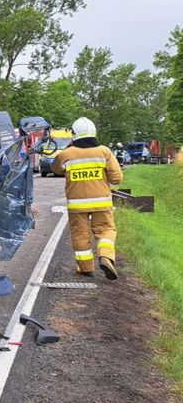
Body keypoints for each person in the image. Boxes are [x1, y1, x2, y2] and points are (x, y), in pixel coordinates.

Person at [51, 117, 123, 280]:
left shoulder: (66, 154)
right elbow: (117, 179)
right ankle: (105, 256)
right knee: (106, 230)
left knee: (80, 235)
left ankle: (85, 268)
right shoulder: (104, 151)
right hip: (101, 202)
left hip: (77, 205)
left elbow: (55, 169)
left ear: (74, 135)